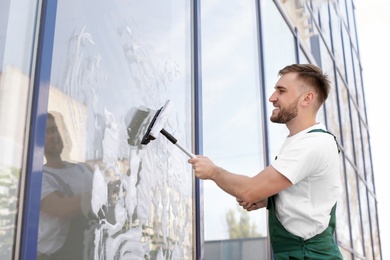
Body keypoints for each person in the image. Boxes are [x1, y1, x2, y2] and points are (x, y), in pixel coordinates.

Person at [188, 64, 343, 259]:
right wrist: (272, 200)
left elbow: (249, 190)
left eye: (281, 91)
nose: (272, 98)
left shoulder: (313, 143)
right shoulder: (300, 142)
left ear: (307, 98)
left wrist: (213, 172)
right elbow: (306, 195)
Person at [37, 112, 95, 259]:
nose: (54, 136)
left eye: (54, 129)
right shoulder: (39, 176)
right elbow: (63, 209)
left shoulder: (84, 169)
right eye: (46, 132)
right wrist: (102, 190)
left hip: (89, 252)